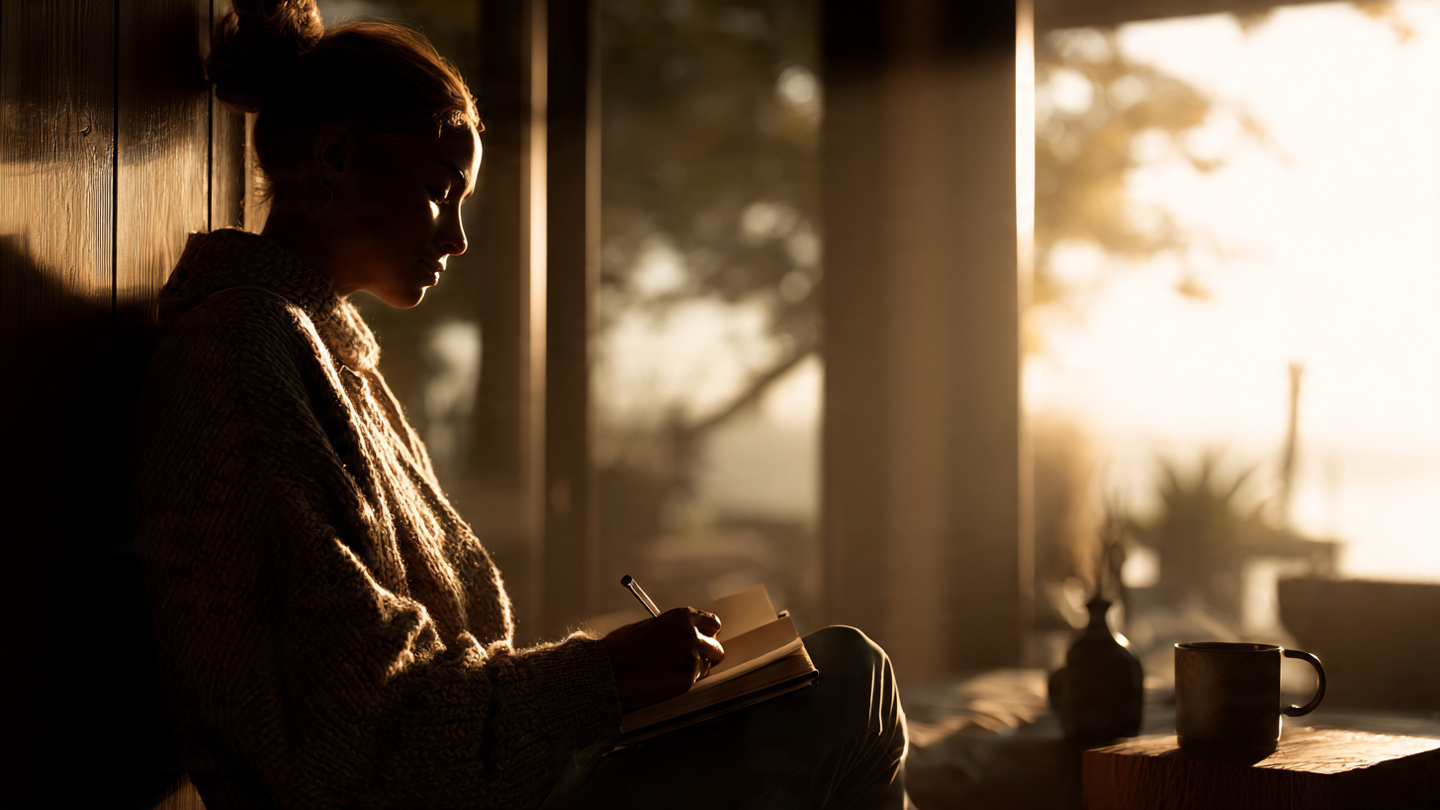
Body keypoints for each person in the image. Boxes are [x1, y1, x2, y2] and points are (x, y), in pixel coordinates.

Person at [132, 2, 911, 808]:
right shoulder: (244, 359)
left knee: (847, 673)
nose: (459, 237)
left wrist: (623, 680)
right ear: (335, 155)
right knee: (850, 686)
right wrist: (605, 676)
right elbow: (363, 732)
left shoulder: (321, 357)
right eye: (441, 191)